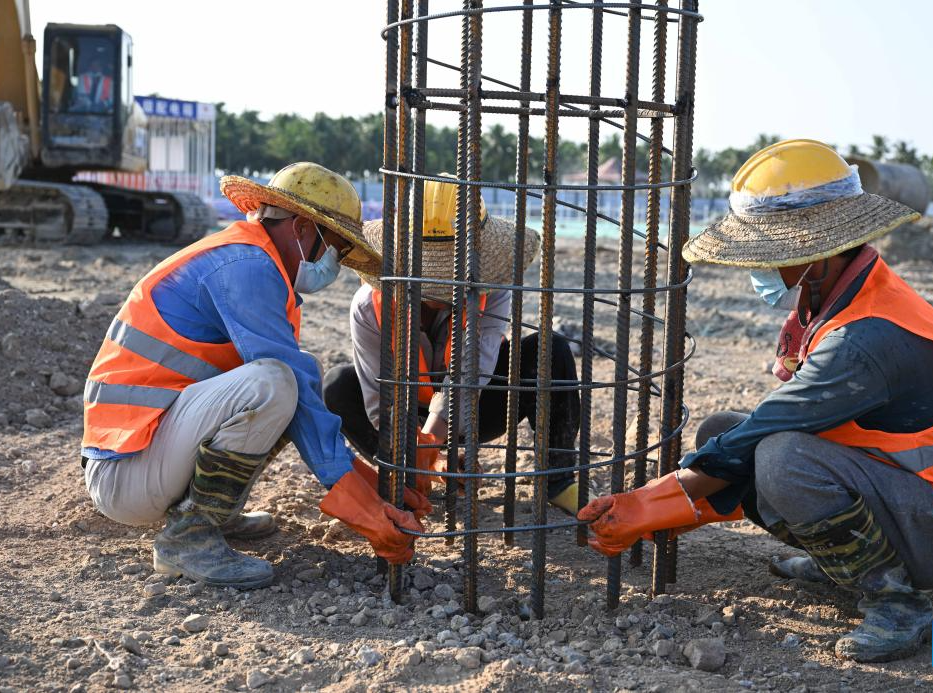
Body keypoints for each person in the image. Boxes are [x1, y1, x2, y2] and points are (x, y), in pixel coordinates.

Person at [579, 139, 933, 662]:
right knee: (723, 432)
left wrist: (644, 505)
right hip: (902, 491)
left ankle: (895, 598)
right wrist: (659, 503)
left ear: (819, 254)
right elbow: (748, 438)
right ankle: (845, 564)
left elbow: (764, 437)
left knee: (781, 459)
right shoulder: (840, 296)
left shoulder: (864, 340)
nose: (758, 272)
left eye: (770, 258)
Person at [81, 162, 429, 590]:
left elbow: (301, 393)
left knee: (296, 376)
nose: (333, 264)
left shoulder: (252, 259)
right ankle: (188, 538)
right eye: (334, 247)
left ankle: (209, 511)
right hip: (127, 472)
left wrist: (367, 482)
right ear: (302, 229)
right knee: (274, 384)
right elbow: (291, 393)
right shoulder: (245, 267)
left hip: (147, 457)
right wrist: (359, 503)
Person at [323, 178, 583, 512]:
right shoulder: (369, 305)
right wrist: (416, 448)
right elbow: (379, 402)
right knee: (337, 385)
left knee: (551, 350)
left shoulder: (493, 284)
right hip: (406, 417)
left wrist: (434, 437)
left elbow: (474, 367)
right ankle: (405, 474)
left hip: (474, 404)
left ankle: (559, 481)